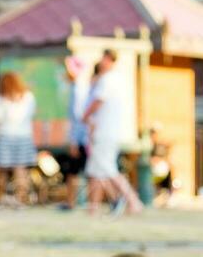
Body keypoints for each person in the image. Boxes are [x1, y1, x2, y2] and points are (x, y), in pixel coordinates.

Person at [83, 49, 142, 216]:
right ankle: (93, 207)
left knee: (107, 168)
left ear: (108, 59)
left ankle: (132, 200)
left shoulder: (107, 80)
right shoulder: (118, 79)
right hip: (109, 130)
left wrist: (85, 116)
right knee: (95, 169)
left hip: (105, 130)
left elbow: (98, 101)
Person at [0, 72, 37, 205]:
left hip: (8, 135)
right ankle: (14, 198)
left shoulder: (22, 97)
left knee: (7, 170)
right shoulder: (27, 97)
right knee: (16, 169)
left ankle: (15, 197)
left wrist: (7, 104)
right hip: (21, 136)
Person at [59, 56, 89, 211]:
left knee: (75, 171)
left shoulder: (79, 89)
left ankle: (72, 202)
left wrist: (74, 141)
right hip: (82, 137)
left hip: (81, 138)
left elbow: (79, 118)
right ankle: (71, 202)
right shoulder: (78, 87)